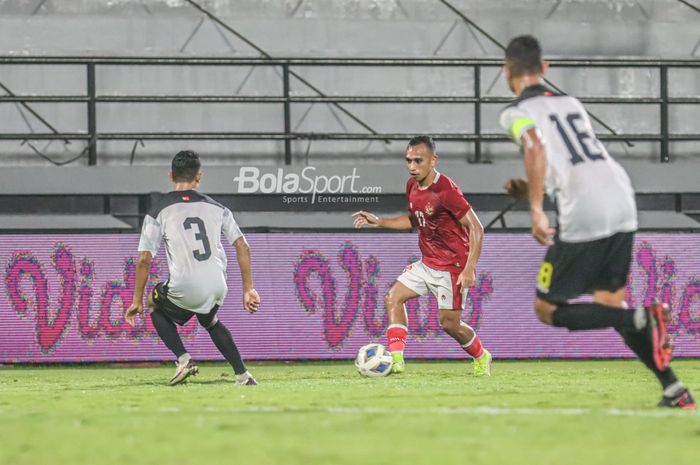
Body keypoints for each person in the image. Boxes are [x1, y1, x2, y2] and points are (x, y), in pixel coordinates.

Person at [499, 35, 695, 409]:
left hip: (585, 210)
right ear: (545, 68)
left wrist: (536, 208)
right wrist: (530, 190)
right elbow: (570, 162)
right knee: (610, 303)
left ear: (507, 72)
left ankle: (645, 316)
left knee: (547, 308)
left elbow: (536, 145)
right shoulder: (571, 103)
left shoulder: (513, 113)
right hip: (621, 199)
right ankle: (673, 388)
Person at [353, 136, 492, 376]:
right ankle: (396, 361)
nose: (412, 167)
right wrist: (379, 221)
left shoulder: (446, 190)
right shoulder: (412, 186)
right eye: (408, 161)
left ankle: (482, 355)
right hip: (427, 263)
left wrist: (469, 268)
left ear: (433, 161)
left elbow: (476, 228)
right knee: (393, 297)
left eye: (418, 161)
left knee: (450, 324)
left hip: (452, 267)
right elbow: (413, 220)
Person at [124, 150, 260, 386]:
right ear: (199, 177)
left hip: (186, 287)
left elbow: (144, 259)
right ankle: (243, 375)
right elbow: (242, 246)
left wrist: (136, 300)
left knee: (154, 304)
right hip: (218, 286)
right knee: (209, 321)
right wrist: (249, 288)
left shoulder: (158, 211)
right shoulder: (218, 208)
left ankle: (184, 360)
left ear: (170, 175)